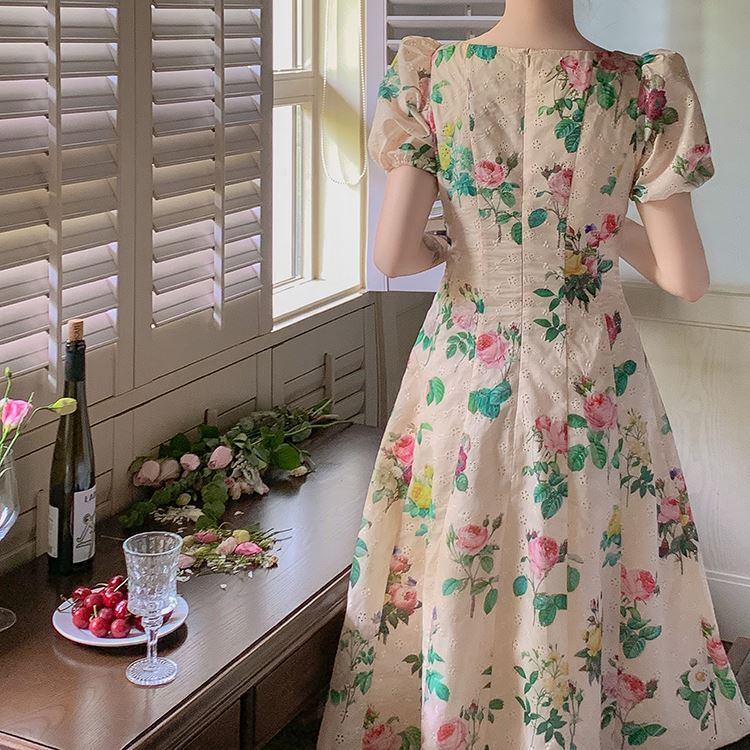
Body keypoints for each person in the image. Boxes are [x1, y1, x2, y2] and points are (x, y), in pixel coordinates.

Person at [316, 1, 750, 747]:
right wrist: (599, 227)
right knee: (581, 545)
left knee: (462, 542)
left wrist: (451, 243)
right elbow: (686, 279)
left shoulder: (432, 77)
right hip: (590, 370)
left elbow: (393, 256)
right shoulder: (641, 86)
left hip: (466, 365)